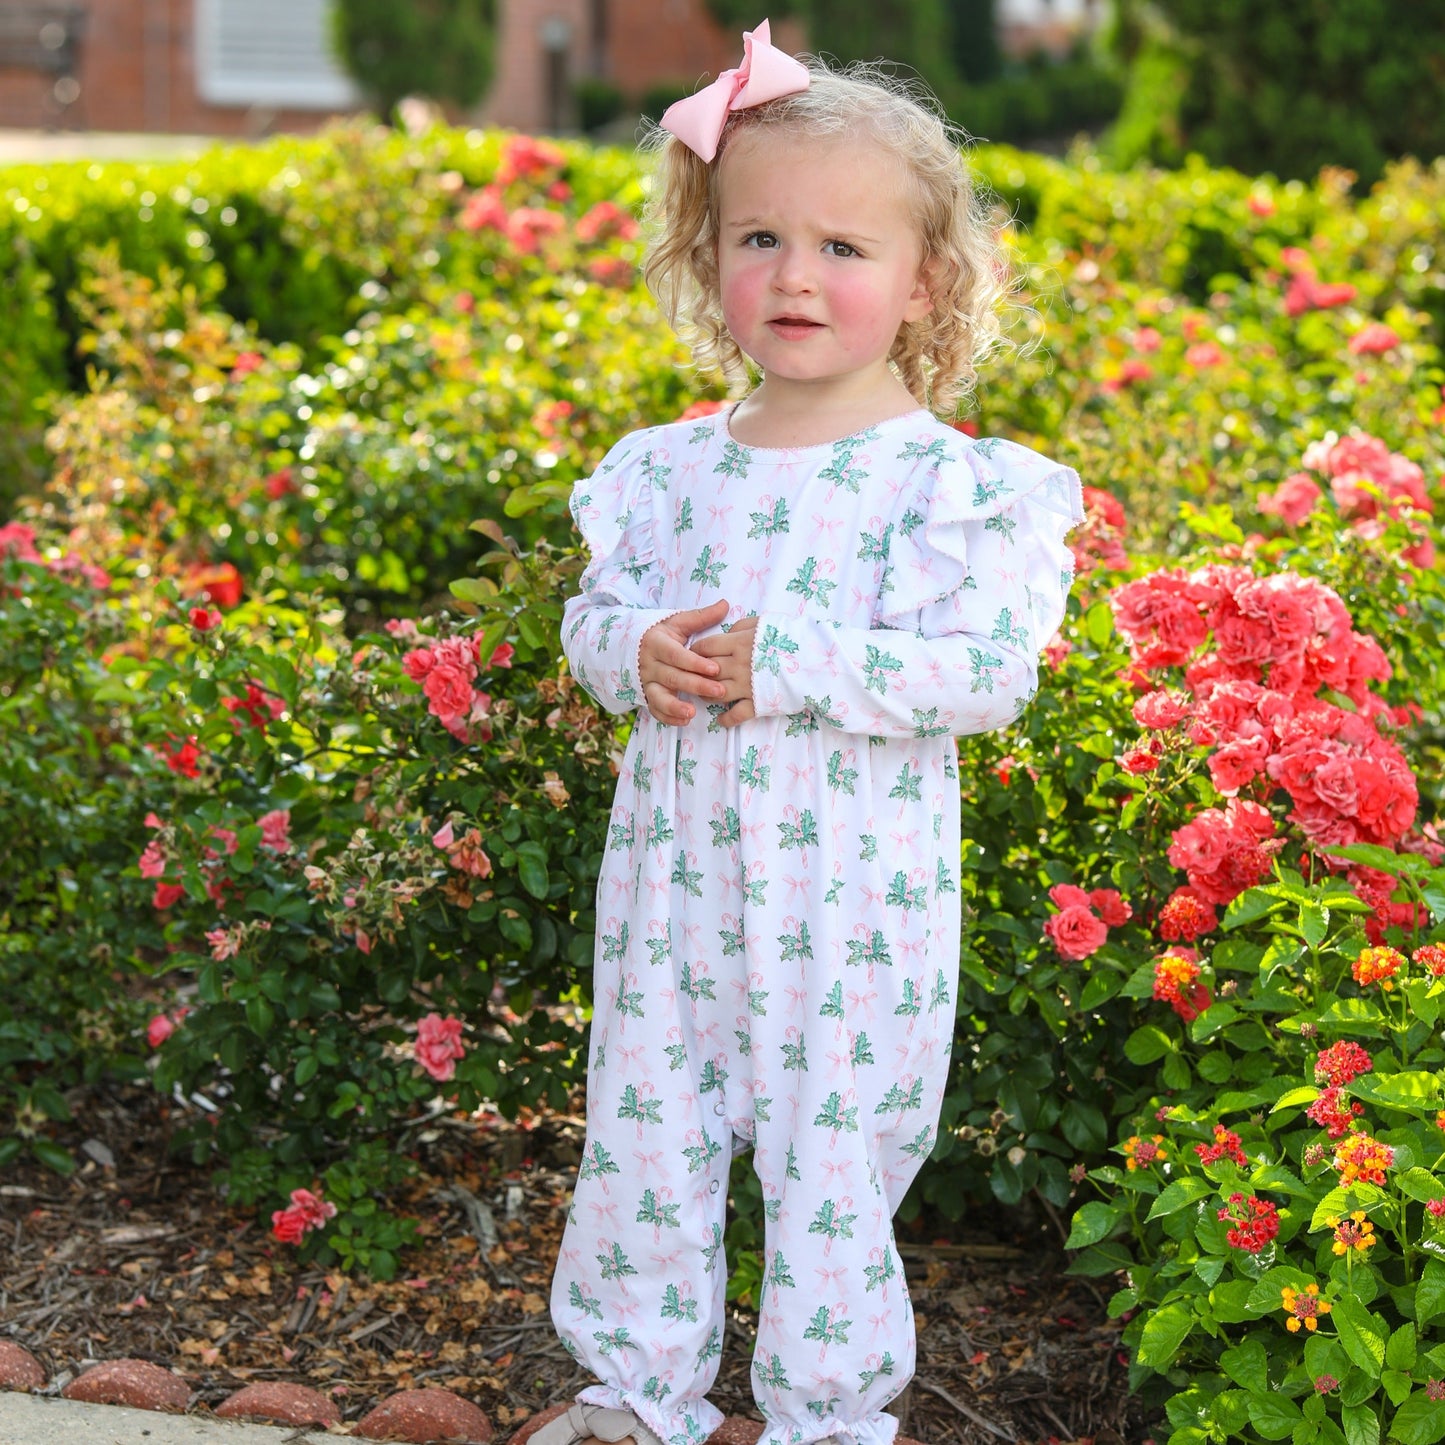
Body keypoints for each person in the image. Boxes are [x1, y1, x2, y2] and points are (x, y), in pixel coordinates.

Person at [536, 23, 1083, 1445]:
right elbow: (597, 620)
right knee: (645, 1136)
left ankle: (828, 1416)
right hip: (672, 903)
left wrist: (790, 660)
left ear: (924, 284)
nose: (793, 276)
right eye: (759, 236)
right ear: (705, 258)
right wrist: (628, 651)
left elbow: (981, 670)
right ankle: (633, 1392)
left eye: (843, 247)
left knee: (827, 1158)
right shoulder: (667, 470)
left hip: (850, 914)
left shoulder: (944, 487)